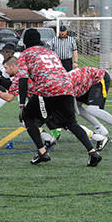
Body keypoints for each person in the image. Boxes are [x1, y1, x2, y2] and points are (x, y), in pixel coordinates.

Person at [15, 28, 102, 166]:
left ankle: (42, 152)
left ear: (25, 43)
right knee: (71, 123)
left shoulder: (25, 54)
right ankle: (92, 152)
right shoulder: (51, 52)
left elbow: (23, 79)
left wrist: (21, 104)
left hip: (47, 89)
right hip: (67, 87)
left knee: (28, 117)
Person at [68, 66, 112, 143]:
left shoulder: (62, 86)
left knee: (92, 109)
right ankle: (99, 128)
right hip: (84, 83)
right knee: (77, 107)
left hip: (98, 78)